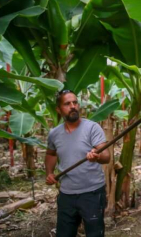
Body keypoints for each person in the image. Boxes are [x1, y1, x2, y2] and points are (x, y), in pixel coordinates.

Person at [45, 90, 110, 237]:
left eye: (75, 102)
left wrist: (97, 156)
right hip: (66, 194)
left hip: (92, 193)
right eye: (67, 104)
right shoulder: (54, 134)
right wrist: (49, 173)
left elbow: (106, 157)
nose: (73, 106)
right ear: (58, 109)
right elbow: (50, 154)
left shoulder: (92, 128)